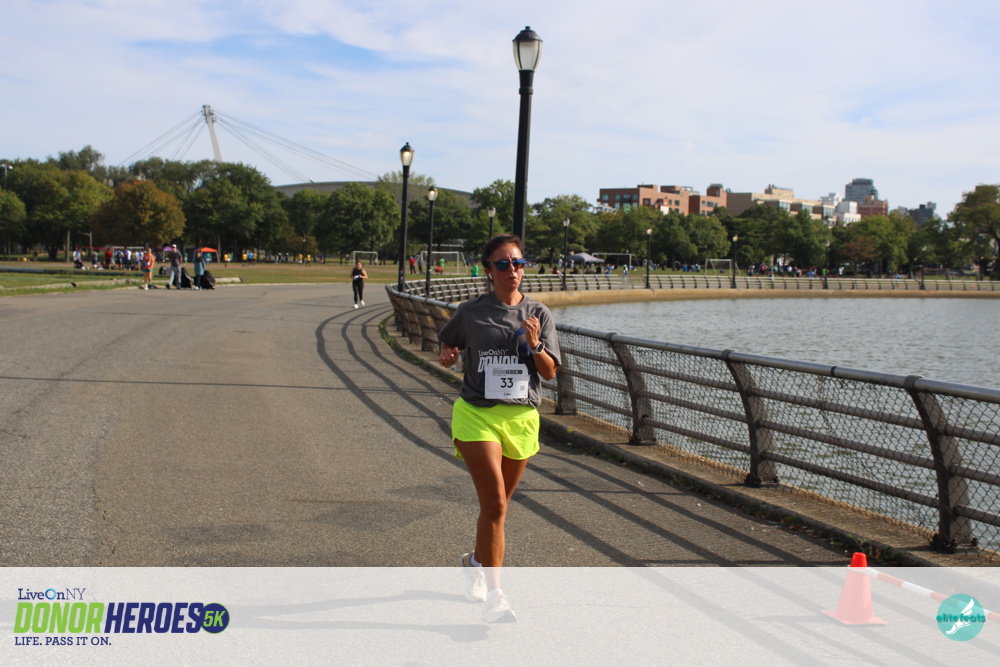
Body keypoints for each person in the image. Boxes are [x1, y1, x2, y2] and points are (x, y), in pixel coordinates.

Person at [436, 234, 560, 623]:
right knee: (495, 504)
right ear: (489, 270)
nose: (513, 270)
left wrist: (536, 344)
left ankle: (474, 562)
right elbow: (447, 346)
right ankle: (496, 598)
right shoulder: (471, 312)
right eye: (503, 264)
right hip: (477, 414)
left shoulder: (538, 313)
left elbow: (550, 373)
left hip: (521, 418)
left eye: (518, 263)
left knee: (498, 507)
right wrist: (448, 355)